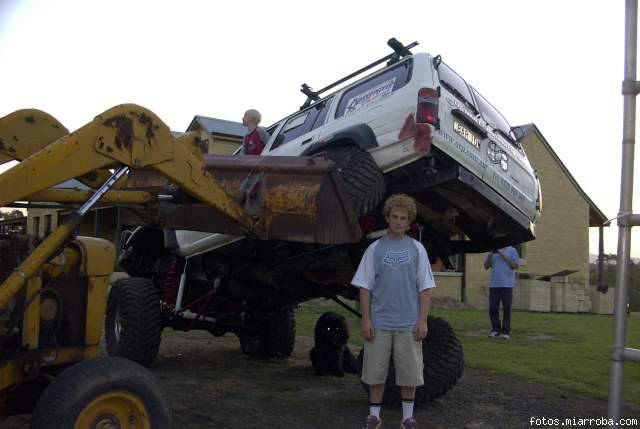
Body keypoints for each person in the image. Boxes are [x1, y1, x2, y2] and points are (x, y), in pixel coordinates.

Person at [352, 194, 435, 429]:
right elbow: (365, 287)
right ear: (387, 218)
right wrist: (366, 320)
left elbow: (426, 288)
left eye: (403, 218)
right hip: (379, 323)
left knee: (409, 374)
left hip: (408, 324)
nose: (398, 222)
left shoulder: (417, 250)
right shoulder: (374, 249)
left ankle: (407, 418)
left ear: (409, 223)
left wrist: (422, 321)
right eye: (394, 217)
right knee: (375, 373)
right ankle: (374, 417)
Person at [483, 246, 520, 340]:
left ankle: (505, 332)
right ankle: (495, 330)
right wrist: (490, 256)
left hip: (507, 285)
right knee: (492, 309)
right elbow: (486, 266)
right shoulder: (492, 250)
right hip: (494, 285)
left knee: (507, 309)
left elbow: (515, 266)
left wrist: (504, 256)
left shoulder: (512, 250)